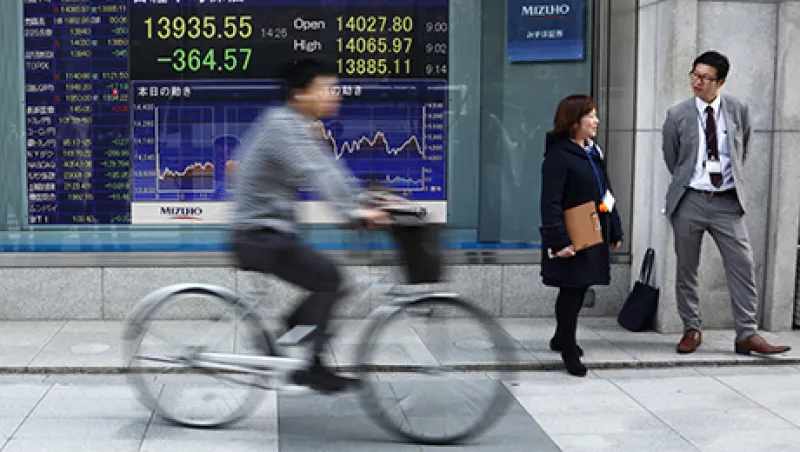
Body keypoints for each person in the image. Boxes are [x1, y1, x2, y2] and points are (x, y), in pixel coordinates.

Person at [229, 57, 389, 393]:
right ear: (301, 94)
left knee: (327, 281)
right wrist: (353, 213)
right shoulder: (282, 126)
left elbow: (329, 169)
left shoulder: (298, 124)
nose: (336, 95)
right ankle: (306, 358)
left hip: (269, 233)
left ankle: (297, 339)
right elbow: (312, 172)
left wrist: (361, 203)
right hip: (259, 236)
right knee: (329, 278)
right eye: (328, 88)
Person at [661, 50, 790, 356]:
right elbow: (672, 157)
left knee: (742, 265)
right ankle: (691, 328)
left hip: (727, 202)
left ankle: (747, 333)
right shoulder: (677, 114)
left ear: (721, 81)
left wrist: (726, 183)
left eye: (705, 77)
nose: (697, 81)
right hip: (690, 199)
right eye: (694, 75)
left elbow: (742, 147)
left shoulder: (738, 110)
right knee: (687, 268)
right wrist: (693, 182)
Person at [540, 94, 623, 377]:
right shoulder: (558, 156)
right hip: (571, 232)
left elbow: (606, 192)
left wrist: (615, 225)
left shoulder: (593, 152)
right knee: (572, 289)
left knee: (578, 286)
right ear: (574, 122)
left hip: (593, 229)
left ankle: (561, 337)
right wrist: (558, 241)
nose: (596, 121)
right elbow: (549, 202)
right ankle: (568, 347)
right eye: (591, 116)